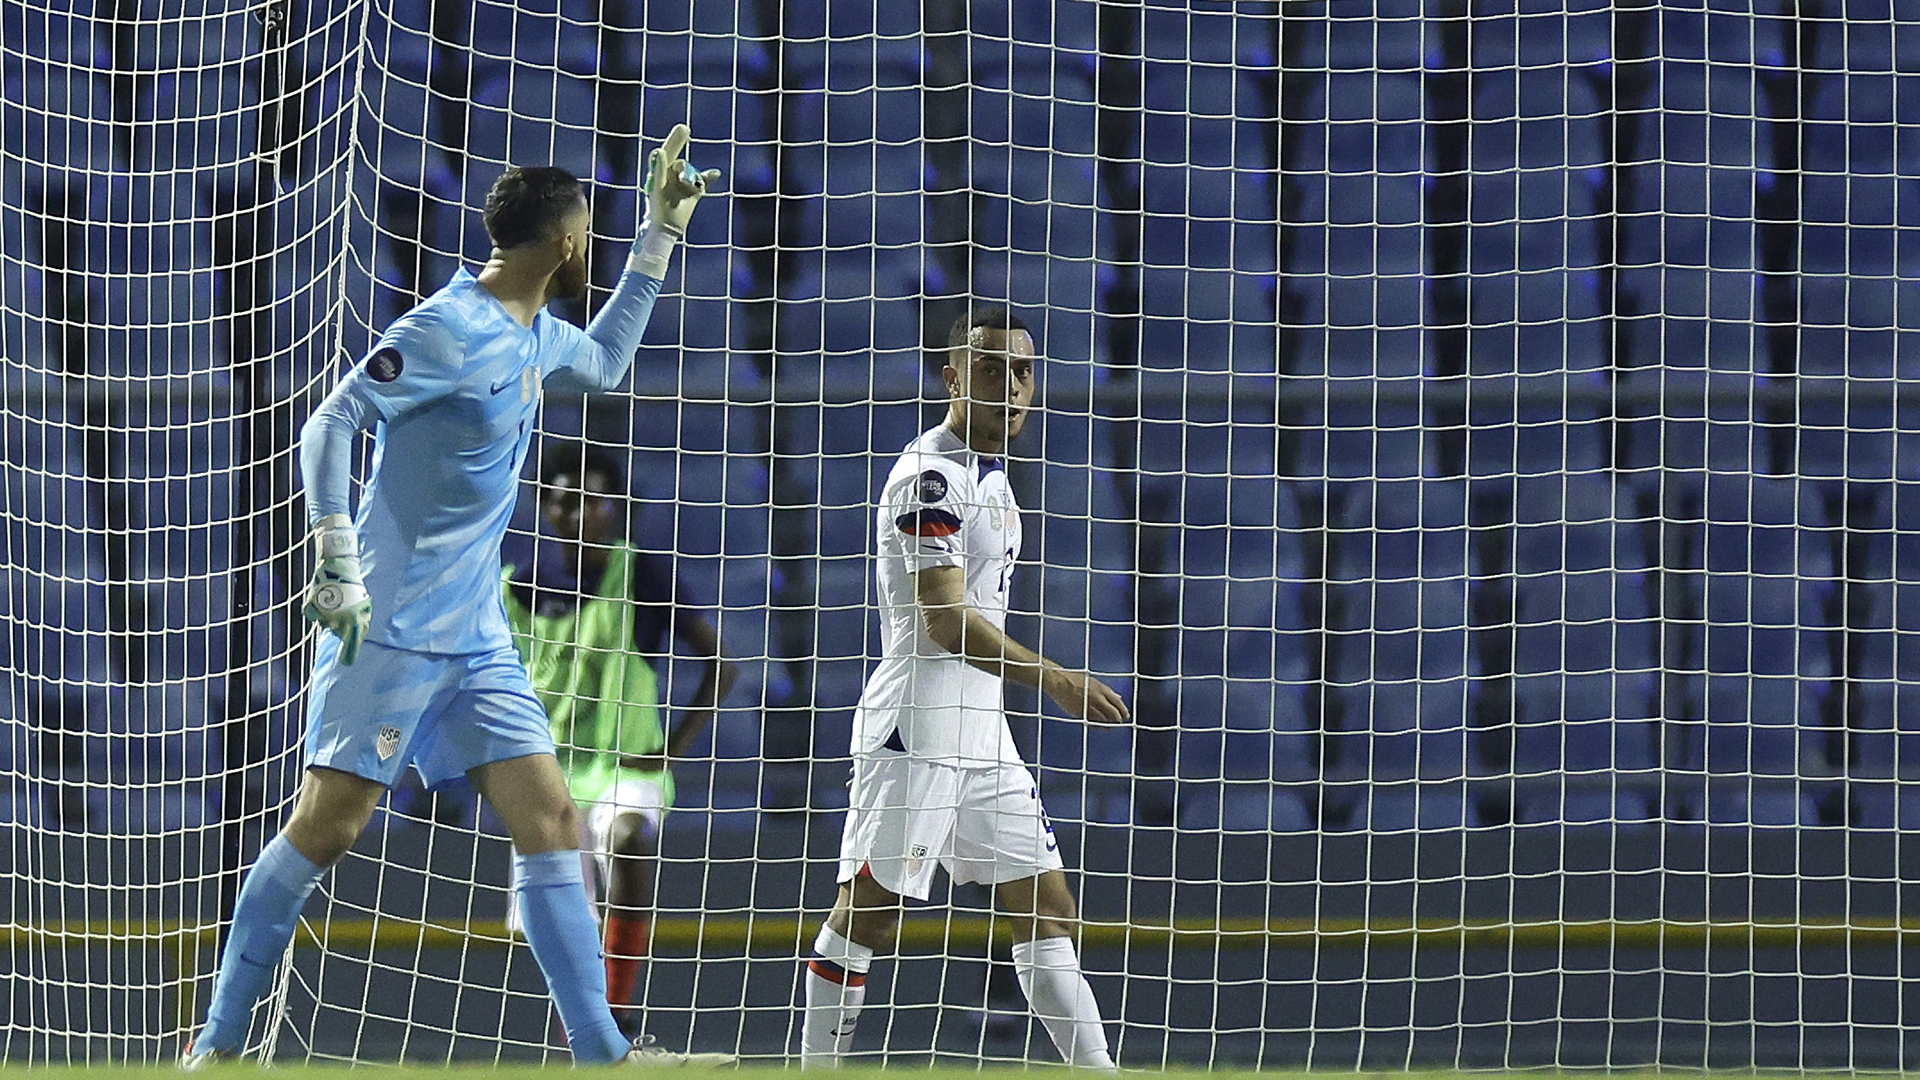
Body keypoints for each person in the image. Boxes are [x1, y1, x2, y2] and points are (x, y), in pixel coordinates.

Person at [183, 126, 729, 1067]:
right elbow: (332, 420)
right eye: (594, 231)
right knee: (329, 825)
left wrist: (657, 240)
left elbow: (604, 364)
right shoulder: (446, 327)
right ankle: (219, 1048)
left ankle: (605, 1051)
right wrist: (335, 553)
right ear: (564, 243)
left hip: (477, 633)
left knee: (555, 820)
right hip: (389, 625)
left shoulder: (532, 332)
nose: (591, 244)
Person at [797, 307, 1131, 1070]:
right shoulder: (929, 477)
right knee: (869, 915)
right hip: (918, 722)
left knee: (1047, 905)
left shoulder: (994, 482)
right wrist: (1053, 677)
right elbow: (946, 621)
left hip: (983, 728)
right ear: (952, 377)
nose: (1012, 387)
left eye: (1023, 371)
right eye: (991, 369)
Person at [503, 439, 739, 1031]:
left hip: (628, 767)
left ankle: (618, 1012)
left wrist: (670, 751)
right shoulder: (517, 586)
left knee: (630, 840)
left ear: (615, 508)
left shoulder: (643, 572)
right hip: (547, 774)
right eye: (565, 502)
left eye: (593, 501)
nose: (580, 513)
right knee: (564, 919)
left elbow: (724, 665)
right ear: (545, 508)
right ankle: (593, 1033)